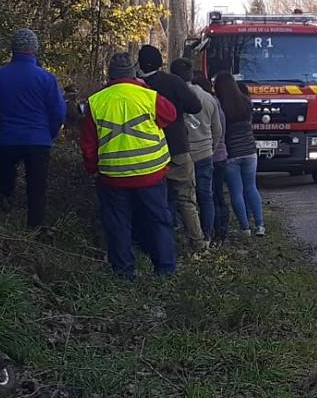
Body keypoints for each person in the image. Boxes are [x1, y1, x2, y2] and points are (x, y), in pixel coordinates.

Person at [80, 53, 178, 279]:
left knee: (118, 223)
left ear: (110, 75)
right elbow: (170, 115)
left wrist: (93, 169)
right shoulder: (148, 96)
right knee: (158, 221)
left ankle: (124, 272)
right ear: (133, 73)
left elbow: (88, 144)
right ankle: (165, 269)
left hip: (112, 176)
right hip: (151, 173)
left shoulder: (96, 102)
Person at [0, 28, 66, 237]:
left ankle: (0, 220)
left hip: (8, 138)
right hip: (38, 140)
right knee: (37, 186)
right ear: (34, 49)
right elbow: (58, 112)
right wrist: (49, 134)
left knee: (5, 179)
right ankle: (35, 227)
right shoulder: (46, 79)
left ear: (13, 49)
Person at [136, 45, 207, 250]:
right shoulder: (172, 82)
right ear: (160, 62)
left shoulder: (137, 88)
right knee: (186, 198)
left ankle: (158, 244)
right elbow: (195, 106)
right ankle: (197, 242)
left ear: (140, 64)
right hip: (177, 147)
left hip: (148, 150)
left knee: (155, 201)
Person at [171, 59, 223, 243]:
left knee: (180, 198)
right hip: (204, 153)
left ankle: (185, 235)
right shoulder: (208, 98)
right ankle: (207, 235)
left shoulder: (170, 96)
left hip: (180, 155)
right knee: (206, 196)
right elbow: (217, 130)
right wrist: (211, 147)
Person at [214, 72, 265, 236]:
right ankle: (260, 225)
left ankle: (245, 227)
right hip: (250, 151)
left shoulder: (220, 105)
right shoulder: (245, 101)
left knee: (236, 192)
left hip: (231, 154)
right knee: (251, 188)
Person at [193, 72, 230, 242]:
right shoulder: (217, 103)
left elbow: (216, 131)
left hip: (210, 155)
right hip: (219, 155)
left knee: (209, 196)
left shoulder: (205, 102)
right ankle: (220, 230)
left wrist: (210, 149)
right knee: (216, 195)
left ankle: (214, 231)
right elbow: (219, 130)